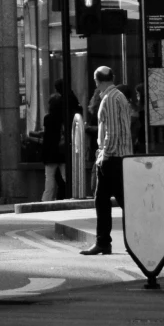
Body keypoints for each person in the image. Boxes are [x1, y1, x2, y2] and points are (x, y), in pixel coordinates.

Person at [81, 65, 133, 256]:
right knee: (114, 199)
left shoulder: (109, 99)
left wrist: (105, 154)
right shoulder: (119, 96)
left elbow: (112, 131)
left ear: (98, 81)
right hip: (121, 156)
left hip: (112, 157)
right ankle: (122, 241)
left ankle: (105, 242)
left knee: (103, 200)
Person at [41, 82, 76, 201]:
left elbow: (47, 137)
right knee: (66, 176)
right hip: (62, 151)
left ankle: (46, 200)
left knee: (49, 178)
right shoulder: (65, 118)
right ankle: (72, 194)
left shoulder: (48, 118)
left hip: (50, 152)